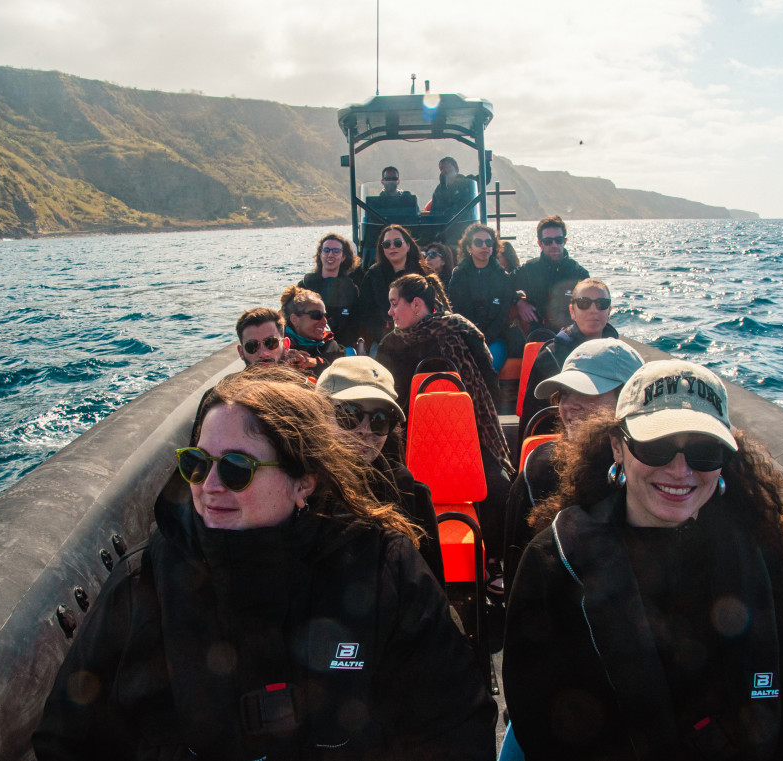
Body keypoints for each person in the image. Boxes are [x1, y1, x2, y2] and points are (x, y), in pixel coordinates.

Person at [34, 368, 497, 761]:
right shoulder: (147, 581)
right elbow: (70, 736)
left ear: (304, 484)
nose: (210, 485)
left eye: (237, 467)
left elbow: (454, 719)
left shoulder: (382, 569)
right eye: (196, 463)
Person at [503, 359, 783, 760]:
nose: (680, 470)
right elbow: (541, 720)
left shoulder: (759, 561)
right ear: (618, 447)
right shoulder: (556, 562)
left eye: (702, 451)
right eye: (656, 446)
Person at [375, 273, 513, 572]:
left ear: (415, 304)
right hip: (411, 439)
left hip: (470, 435)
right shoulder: (391, 345)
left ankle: (493, 561)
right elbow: (389, 398)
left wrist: (460, 426)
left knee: (500, 486)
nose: (390, 312)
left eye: (394, 303)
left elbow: (489, 386)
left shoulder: (462, 332)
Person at [502, 339, 644, 598]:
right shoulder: (539, 474)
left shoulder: (661, 474)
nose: (570, 405)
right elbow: (518, 579)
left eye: (588, 393)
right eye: (564, 394)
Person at [317, 356, 446, 587]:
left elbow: (430, 589)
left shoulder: (407, 492)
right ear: (318, 415)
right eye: (349, 414)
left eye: (380, 419)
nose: (365, 430)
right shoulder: (294, 491)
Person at [518, 277, 618, 451]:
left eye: (601, 304)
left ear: (609, 311)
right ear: (572, 311)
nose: (593, 310)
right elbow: (532, 417)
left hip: (611, 444)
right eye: (584, 303)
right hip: (564, 445)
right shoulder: (550, 356)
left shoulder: (621, 356)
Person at [448, 223, 516, 373]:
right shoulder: (459, 277)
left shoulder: (503, 278)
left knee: (487, 368)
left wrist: (486, 338)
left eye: (489, 242)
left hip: (495, 340)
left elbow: (502, 316)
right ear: (469, 248)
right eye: (478, 242)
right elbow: (456, 311)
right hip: (465, 339)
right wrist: (473, 338)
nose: (484, 246)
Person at [356, 224, 431, 350]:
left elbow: (432, 308)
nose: (392, 247)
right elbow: (365, 311)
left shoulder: (424, 273)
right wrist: (383, 336)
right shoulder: (373, 275)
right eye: (386, 244)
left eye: (397, 242)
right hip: (384, 341)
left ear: (408, 245)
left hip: (421, 339)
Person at [513, 215, 590, 333]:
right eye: (548, 241)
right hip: (538, 334)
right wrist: (519, 302)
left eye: (558, 240)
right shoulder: (529, 269)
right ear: (540, 243)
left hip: (571, 337)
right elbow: (502, 285)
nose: (554, 245)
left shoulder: (579, 273)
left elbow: (591, 304)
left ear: (565, 241)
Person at [299, 233, 360, 348]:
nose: (330, 255)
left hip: (340, 346)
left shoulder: (351, 289)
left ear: (343, 257)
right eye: (326, 250)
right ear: (320, 254)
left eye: (336, 251)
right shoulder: (305, 285)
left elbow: (354, 324)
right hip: (309, 344)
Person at [280, 285, 344, 377]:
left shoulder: (330, 345)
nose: (324, 321)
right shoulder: (275, 346)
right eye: (316, 315)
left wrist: (313, 362)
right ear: (294, 319)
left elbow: (335, 367)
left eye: (325, 315)